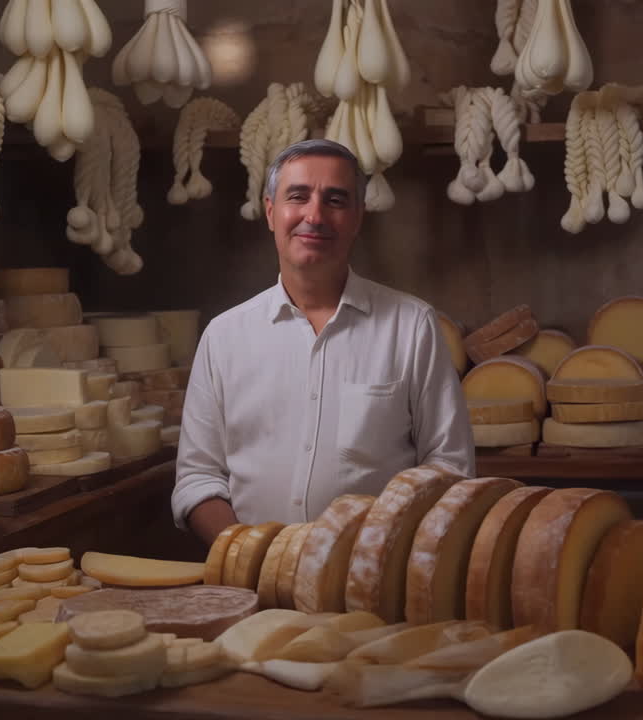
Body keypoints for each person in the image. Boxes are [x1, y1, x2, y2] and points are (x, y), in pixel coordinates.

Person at [172, 139, 475, 544]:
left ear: (357, 217)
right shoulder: (224, 337)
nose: (314, 215)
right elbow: (198, 478)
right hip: (253, 587)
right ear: (270, 211)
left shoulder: (412, 326)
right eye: (297, 196)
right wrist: (247, 557)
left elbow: (450, 468)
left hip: (374, 585)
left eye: (335, 200)